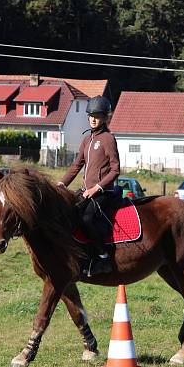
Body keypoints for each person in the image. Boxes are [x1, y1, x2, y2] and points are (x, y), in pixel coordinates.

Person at [58, 96, 120, 276]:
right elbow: (77, 165)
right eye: (91, 115)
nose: (93, 119)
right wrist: (62, 183)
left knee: (86, 219)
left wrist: (96, 188)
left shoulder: (108, 139)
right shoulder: (87, 140)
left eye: (97, 116)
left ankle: (103, 258)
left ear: (105, 118)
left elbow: (115, 170)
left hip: (103, 192)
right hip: (86, 192)